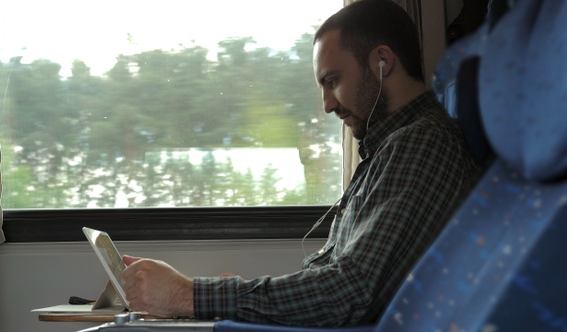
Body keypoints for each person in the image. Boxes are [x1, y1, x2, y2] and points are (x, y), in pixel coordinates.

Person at [122, 0, 481, 327]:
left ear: (382, 62)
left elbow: (349, 293)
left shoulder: (423, 143)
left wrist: (189, 295)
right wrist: (229, 294)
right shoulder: (386, 149)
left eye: (333, 81)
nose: (327, 104)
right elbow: (337, 278)